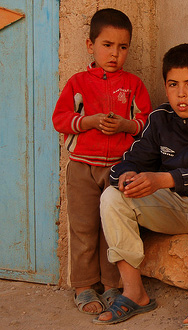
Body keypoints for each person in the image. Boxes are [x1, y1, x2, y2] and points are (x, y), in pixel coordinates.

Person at [95, 43, 188, 327]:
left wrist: (162, 179)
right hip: (176, 210)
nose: (181, 93)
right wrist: (126, 178)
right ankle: (134, 292)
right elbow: (127, 162)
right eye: (173, 84)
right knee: (112, 196)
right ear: (165, 87)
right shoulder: (160, 118)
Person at [52, 8, 152, 315]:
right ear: (90, 45)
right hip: (81, 167)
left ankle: (112, 285)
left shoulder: (133, 84)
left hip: (118, 169)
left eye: (122, 47)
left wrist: (125, 125)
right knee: (84, 228)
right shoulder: (78, 82)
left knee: (113, 227)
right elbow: (60, 119)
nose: (115, 54)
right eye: (107, 45)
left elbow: (146, 123)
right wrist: (88, 121)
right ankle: (83, 286)